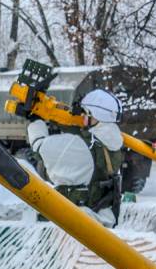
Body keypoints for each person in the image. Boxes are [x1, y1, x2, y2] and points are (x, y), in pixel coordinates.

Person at [26, 89, 124, 227]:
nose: (82, 118)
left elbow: (39, 148)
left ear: (93, 115)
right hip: (103, 218)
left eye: (85, 113)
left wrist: (35, 121)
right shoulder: (113, 142)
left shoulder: (79, 145)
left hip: (76, 221)